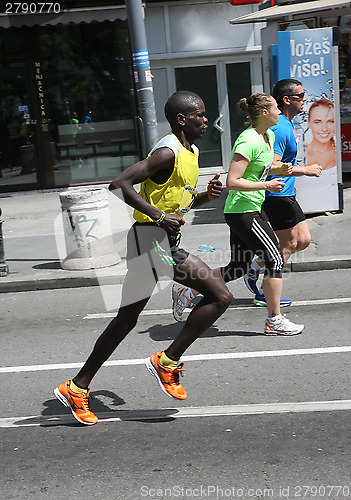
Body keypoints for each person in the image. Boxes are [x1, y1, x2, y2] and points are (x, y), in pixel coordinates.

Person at [54, 91, 233, 425]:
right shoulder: (168, 151)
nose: (205, 120)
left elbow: (174, 204)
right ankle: (167, 361)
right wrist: (158, 216)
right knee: (220, 295)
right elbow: (120, 183)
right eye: (200, 114)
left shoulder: (190, 153)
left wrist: (203, 197)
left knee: (126, 319)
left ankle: (76, 387)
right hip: (152, 241)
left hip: (154, 239)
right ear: (182, 119)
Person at [175, 93, 304, 337]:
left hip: (248, 208)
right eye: (276, 107)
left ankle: (189, 291)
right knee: (275, 259)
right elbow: (232, 181)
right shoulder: (248, 141)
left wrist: (290, 169)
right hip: (242, 210)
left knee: (238, 267)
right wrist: (266, 186)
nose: (279, 112)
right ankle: (274, 320)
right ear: (265, 113)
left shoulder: (268, 136)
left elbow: (262, 167)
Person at [243, 79, 322, 306]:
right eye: (301, 96)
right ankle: (264, 290)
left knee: (303, 240)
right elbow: (271, 164)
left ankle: (257, 265)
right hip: (275, 194)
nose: (305, 100)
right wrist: (304, 170)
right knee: (287, 246)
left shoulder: (285, 124)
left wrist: (292, 164)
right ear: (288, 100)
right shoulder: (279, 127)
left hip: (285, 192)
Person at [295, 98, 338, 213]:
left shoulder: (337, 152)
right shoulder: (301, 153)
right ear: (308, 123)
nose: (324, 128)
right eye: (317, 122)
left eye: (330, 121)